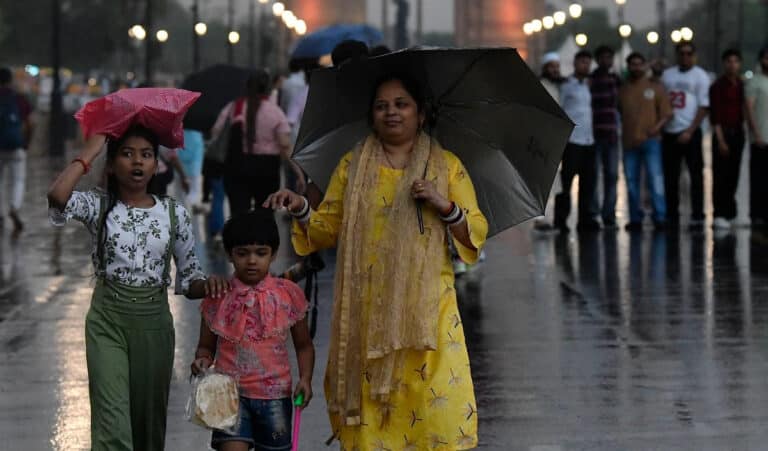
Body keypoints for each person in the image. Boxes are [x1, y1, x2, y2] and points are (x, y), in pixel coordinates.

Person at [264, 74, 488, 450]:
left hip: (430, 316)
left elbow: (474, 235)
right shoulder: (353, 165)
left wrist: (443, 204)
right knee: (373, 424)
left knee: (438, 417)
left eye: (401, 104)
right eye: (382, 105)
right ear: (371, 114)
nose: (391, 112)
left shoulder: (446, 166)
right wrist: (301, 206)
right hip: (367, 314)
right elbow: (326, 228)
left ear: (420, 113)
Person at [47, 126, 227, 450]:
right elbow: (58, 197)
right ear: (113, 164)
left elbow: (190, 279)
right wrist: (89, 153)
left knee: (147, 430)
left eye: (146, 154)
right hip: (107, 325)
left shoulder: (174, 214)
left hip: (154, 328)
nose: (137, 162)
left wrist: (211, 284)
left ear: (157, 164)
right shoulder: (98, 207)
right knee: (112, 426)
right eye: (127, 154)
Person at [191, 209, 315, 451]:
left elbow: (304, 345)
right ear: (229, 254)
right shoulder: (218, 297)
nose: (251, 260)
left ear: (274, 254)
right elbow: (206, 346)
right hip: (229, 395)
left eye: (261, 253)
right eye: (242, 253)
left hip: (275, 397)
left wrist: (306, 379)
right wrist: (202, 361)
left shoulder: (287, 294)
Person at [211, 70, 306, 217]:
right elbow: (285, 146)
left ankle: (241, 240)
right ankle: (262, 240)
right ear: (268, 88)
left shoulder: (234, 107)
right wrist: (298, 172)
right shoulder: (275, 112)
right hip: (267, 169)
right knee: (265, 214)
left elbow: (216, 131)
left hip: (237, 166)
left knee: (239, 215)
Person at [618, 52, 672, 231]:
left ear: (644, 66)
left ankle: (660, 216)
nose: (636, 67)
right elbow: (619, 111)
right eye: (632, 64)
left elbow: (667, 113)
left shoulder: (655, 87)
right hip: (629, 142)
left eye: (639, 64)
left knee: (655, 179)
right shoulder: (623, 89)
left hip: (651, 141)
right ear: (628, 67)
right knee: (631, 182)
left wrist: (657, 128)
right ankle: (635, 217)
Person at [661, 42, 711, 230]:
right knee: (671, 176)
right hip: (670, 131)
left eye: (689, 53)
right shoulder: (668, 75)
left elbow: (704, 106)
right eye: (681, 53)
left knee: (695, 175)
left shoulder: (700, 76)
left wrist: (690, 130)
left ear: (694, 55)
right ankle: (672, 213)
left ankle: (697, 213)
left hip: (691, 131)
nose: (685, 57)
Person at [553, 50, 601, 233]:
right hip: (572, 141)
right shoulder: (566, 85)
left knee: (588, 183)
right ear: (575, 63)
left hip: (590, 141)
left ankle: (585, 220)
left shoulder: (591, 85)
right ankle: (561, 221)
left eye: (588, 63)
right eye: (582, 62)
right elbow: (560, 108)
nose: (585, 66)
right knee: (566, 183)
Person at [709, 48, 746, 230]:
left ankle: (731, 213)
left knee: (733, 174)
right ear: (724, 63)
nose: (732, 65)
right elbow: (715, 115)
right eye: (729, 61)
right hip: (722, 133)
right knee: (720, 175)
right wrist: (720, 139)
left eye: (735, 61)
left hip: (738, 133)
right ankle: (719, 213)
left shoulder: (741, 85)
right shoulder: (717, 86)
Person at [590, 45, 622, 229]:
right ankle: (594, 213)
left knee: (611, 175)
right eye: (602, 57)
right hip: (594, 135)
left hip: (611, 135)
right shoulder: (591, 80)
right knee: (594, 176)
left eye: (609, 57)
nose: (606, 61)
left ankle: (609, 214)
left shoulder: (616, 79)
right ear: (598, 59)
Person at [534, 52, 564, 232]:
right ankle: (539, 219)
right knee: (541, 181)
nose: (555, 70)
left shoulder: (559, 87)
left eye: (557, 66)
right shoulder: (540, 86)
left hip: (555, 140)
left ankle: (546, 218)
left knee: (552, 182)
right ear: (545, 68)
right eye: (551, 66)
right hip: (541, 140)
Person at [0, 67, 33, 231]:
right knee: (18, 180)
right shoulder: (18, 98)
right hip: (16, 146)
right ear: (10, 80)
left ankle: (0, 214)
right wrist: (26, 143)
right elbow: (29, 123)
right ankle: (14, 206)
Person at [747, 46, 768, 229]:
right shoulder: (755, 82)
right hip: (761, 138)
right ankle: (757, 214)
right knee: (759, 178)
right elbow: (749, 109)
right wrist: (756, 133)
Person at [175, 128, 205, 212]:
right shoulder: (197, 134)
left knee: (180, 198)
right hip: (194, 168)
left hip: (179, 168)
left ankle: (183, 216)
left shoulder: (178, 131)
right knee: (194, 194)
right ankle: (194, 205)